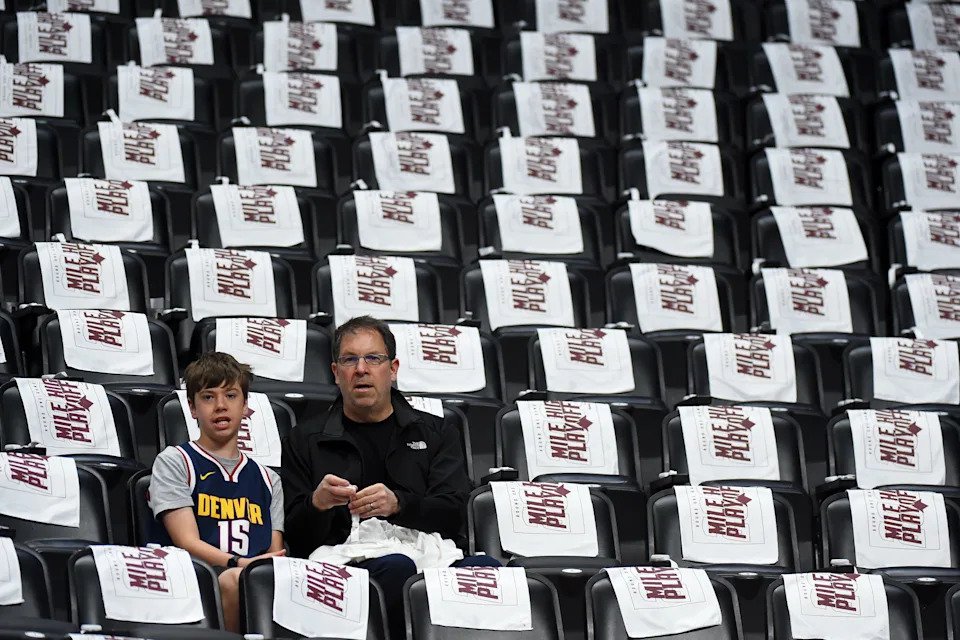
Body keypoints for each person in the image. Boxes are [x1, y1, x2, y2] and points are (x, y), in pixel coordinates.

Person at [282, 315, 499, 638]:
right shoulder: (304, 440)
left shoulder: (436, 432)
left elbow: (454, 511)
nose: (361, 369)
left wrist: (399, 504)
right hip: (343, 564)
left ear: (393, 368)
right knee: (397, 566)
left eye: (373, 358)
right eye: (350, 360)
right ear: (335, 373)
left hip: (429, 554)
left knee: (490, 571)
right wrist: (318, 505)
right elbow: (296, 540)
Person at [149, 352, 286, 633]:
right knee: (233, 580)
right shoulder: (175, 461)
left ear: (245, 405)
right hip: (193, 579)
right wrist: (239, 564)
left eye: (231, 396)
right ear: (192, 408)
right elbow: (187, 542)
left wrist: (253, 570)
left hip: (252, 579)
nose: (221, 406)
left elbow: (274, 554)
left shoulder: (268, 479)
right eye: (208, 397)